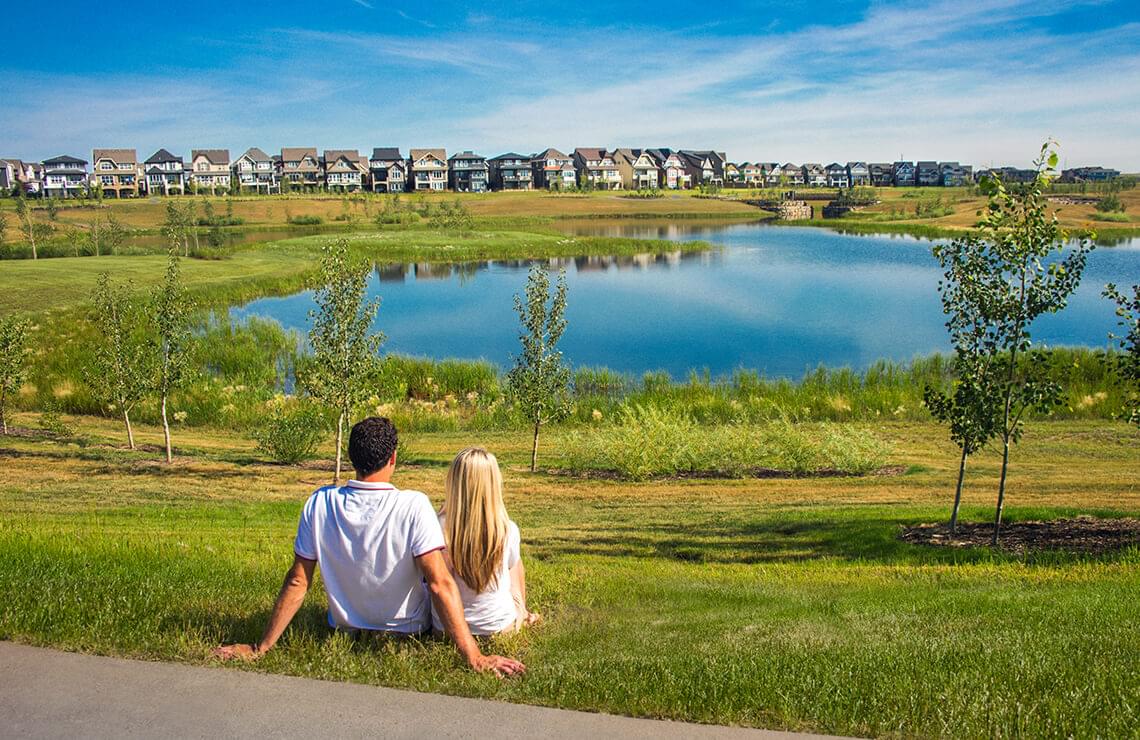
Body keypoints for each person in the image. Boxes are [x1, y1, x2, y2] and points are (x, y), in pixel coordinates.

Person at [213, 417, 524, 678]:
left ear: (352, 458)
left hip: (346, 631)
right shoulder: (412, 505)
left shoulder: (320, 503)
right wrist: (474, 656)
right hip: (406, 632)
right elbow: (441, 584)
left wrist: (261, 647)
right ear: (393, 458)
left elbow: (298, 580)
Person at [433, 447, 540, 636]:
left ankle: (521, 611)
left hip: (445, 628)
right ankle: (522, 611)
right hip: (498, 626)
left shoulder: (436, 528)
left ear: (453, 482)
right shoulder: (506, 529)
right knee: (513, 565)